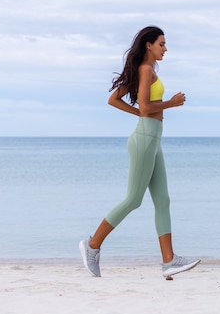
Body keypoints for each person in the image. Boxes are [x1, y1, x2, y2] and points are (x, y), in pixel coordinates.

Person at [79, 25, 200, 278]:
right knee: (133, 199)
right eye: (162, 44)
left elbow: (115, 99)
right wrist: (172, 104)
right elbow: (145, 106)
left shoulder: (145, 70)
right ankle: (92, 246)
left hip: (153, 139)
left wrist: (142, 113)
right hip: (145, 139)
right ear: (149, 45)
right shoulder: (145, 70)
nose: (165, 49)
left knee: (163, 200)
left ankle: (169, 260)